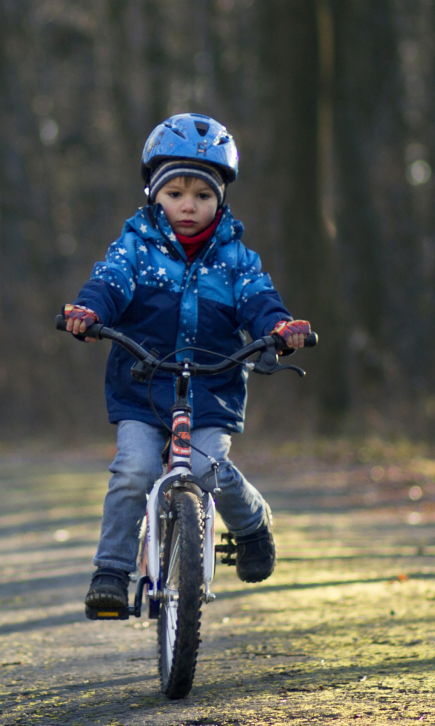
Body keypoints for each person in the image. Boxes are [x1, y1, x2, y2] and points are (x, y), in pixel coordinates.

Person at [63, 113, 311, 618]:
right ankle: (111, 571)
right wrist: (90, 311)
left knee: (206, 470)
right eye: (175, 193)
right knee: (133, 471)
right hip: (143, 384)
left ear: (219, 199)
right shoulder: (134, 248)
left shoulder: (235, 259)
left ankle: (251, 525)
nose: (188, 205)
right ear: (155, 195)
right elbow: (110, 283)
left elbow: (258, 300)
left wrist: (280, 327)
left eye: (201, 194)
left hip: (211, 385)